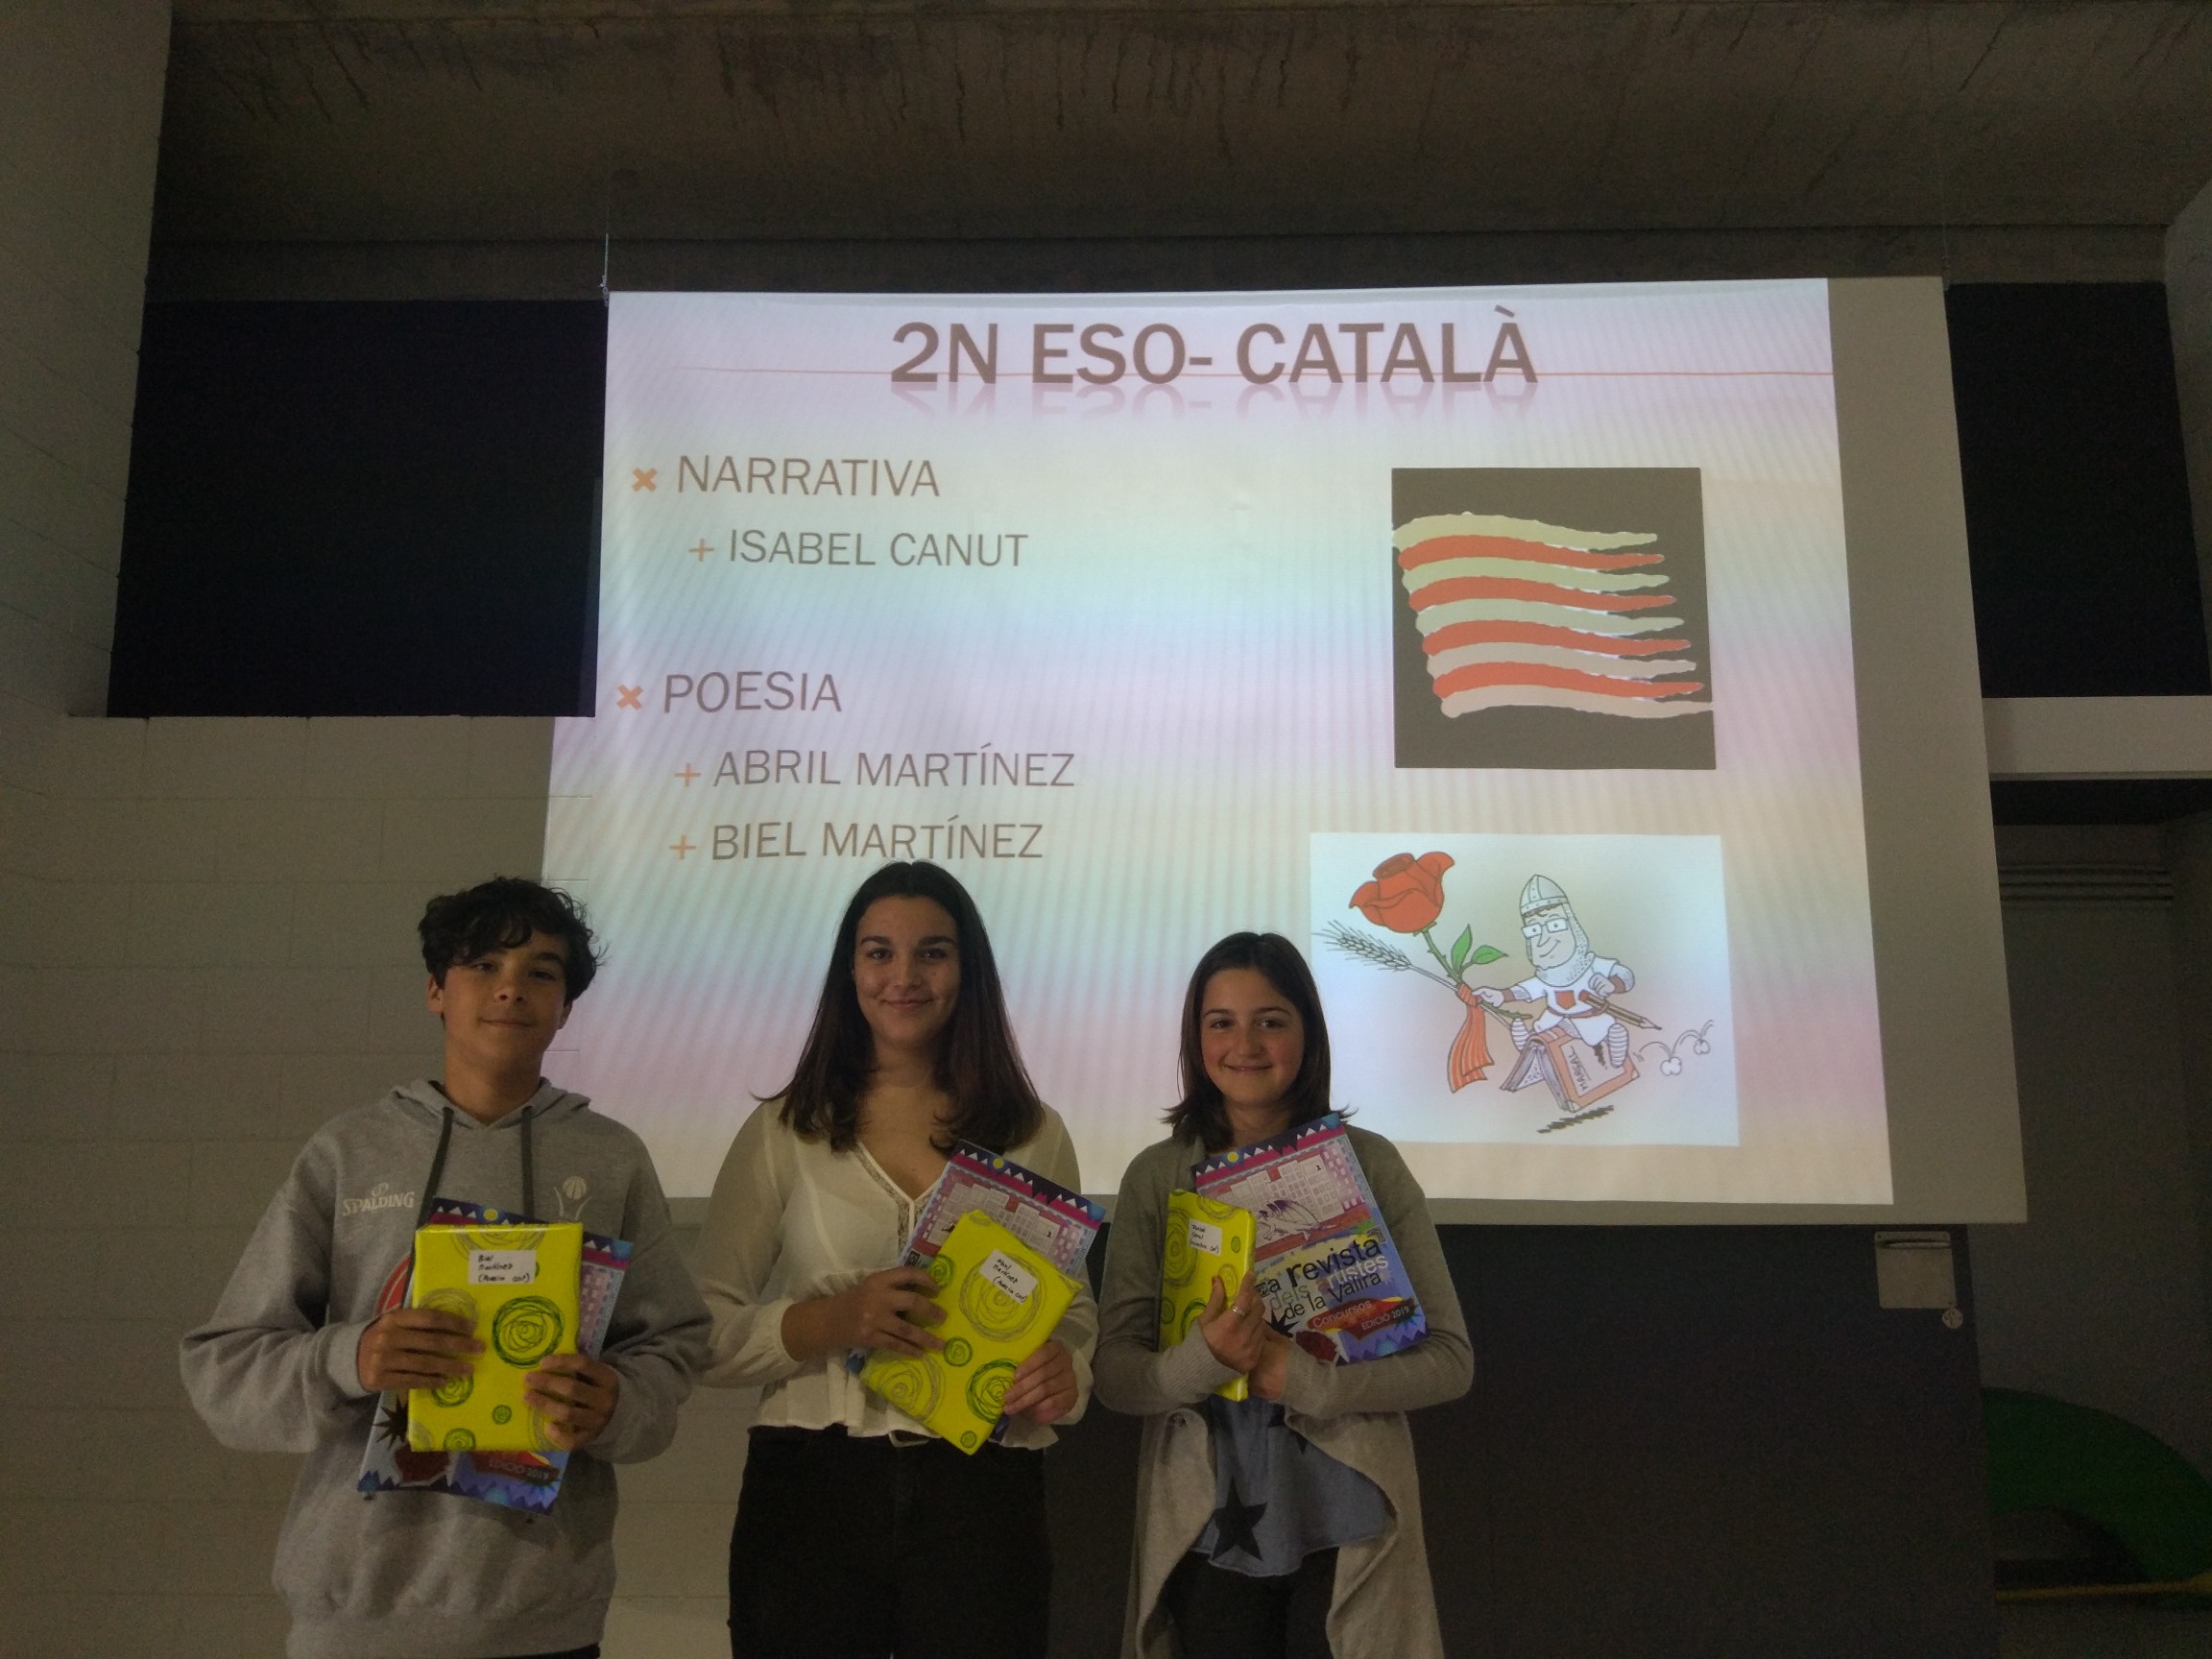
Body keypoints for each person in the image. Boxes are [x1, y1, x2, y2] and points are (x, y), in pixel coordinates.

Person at [180, 877, 709, 1659]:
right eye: (483, 965)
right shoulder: (349, 1152)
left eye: (540, 971)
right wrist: (353, 1357)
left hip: (543, 1619)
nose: (510, 988)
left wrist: (616, 1403)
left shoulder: (611, 1158)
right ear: (435, 989)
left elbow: (672, 1346)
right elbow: (223, 1367)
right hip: (354, 1615)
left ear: (566, 1007)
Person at [696, 860, 1096, 1659]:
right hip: (812, 1486)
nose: (904, 976)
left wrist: (1067, 1372)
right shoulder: (786, 1129)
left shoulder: (1032, 1131)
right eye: (879, 952)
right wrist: (831, 1321)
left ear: (967, 971)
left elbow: (1074, 1312)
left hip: (983, 1490)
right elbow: (702, 1330)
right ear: (850, 970)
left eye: (932, 953)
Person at [1094, 932, 1473, 1659]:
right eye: (1221, 1022)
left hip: (1351, 1515)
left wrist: (1308, 1381)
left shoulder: (1370, 1165)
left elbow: (1451, 1362)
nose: (1245, 1045)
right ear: (1195, 1038)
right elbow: (1116, 1376)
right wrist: (1204, 1360)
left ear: (1309, 1033)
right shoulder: (1157, 1177)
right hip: (1208, 1518)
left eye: (1270, 1021)